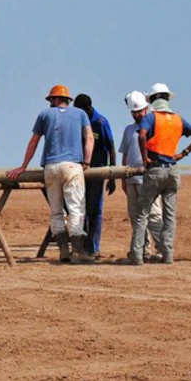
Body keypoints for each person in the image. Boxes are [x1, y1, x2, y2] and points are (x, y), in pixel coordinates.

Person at [8, 85, 94, 263]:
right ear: (67, 100)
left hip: (50, 167)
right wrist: (86, 162)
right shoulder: (80, 114)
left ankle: (63, 250)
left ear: (54, 100)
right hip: (72, 166)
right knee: (76, 209)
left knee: (56, 211)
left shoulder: (44, 115)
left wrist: (23, 166)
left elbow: (33, 142)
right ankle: (78, 250)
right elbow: (89, 138)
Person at [125, 83, 191, 265]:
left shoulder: (151, 118)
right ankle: (167, 255)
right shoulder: (178, 119)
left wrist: (145, 158)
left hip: (155, 170)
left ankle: (137, 256)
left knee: (142, 213)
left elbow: (142, 135)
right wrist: (183, 154)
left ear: (151, 99)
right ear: (168, 99)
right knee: (169, 215)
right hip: (173, 170)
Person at [119, 91, 164, 262]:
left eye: (140, 111)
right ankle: (142, 250)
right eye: (134, 112)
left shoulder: (154, 127)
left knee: (153, 216)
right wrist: (123, 178)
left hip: (149, 179)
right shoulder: (129, 130)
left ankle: (162, 249)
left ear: (147, 109)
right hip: (131, 180)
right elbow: (125, 154)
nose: (137, 115)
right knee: (135, 216)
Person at [72, 94, 117, 258]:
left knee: (94, 209)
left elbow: (111, 147)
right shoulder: (77, 122)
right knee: (80, 208)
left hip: (98, 172)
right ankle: (82, 245)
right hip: (79, 172)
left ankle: (93, 246)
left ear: (87, 109)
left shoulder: (100, 122)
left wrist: (112, 175)